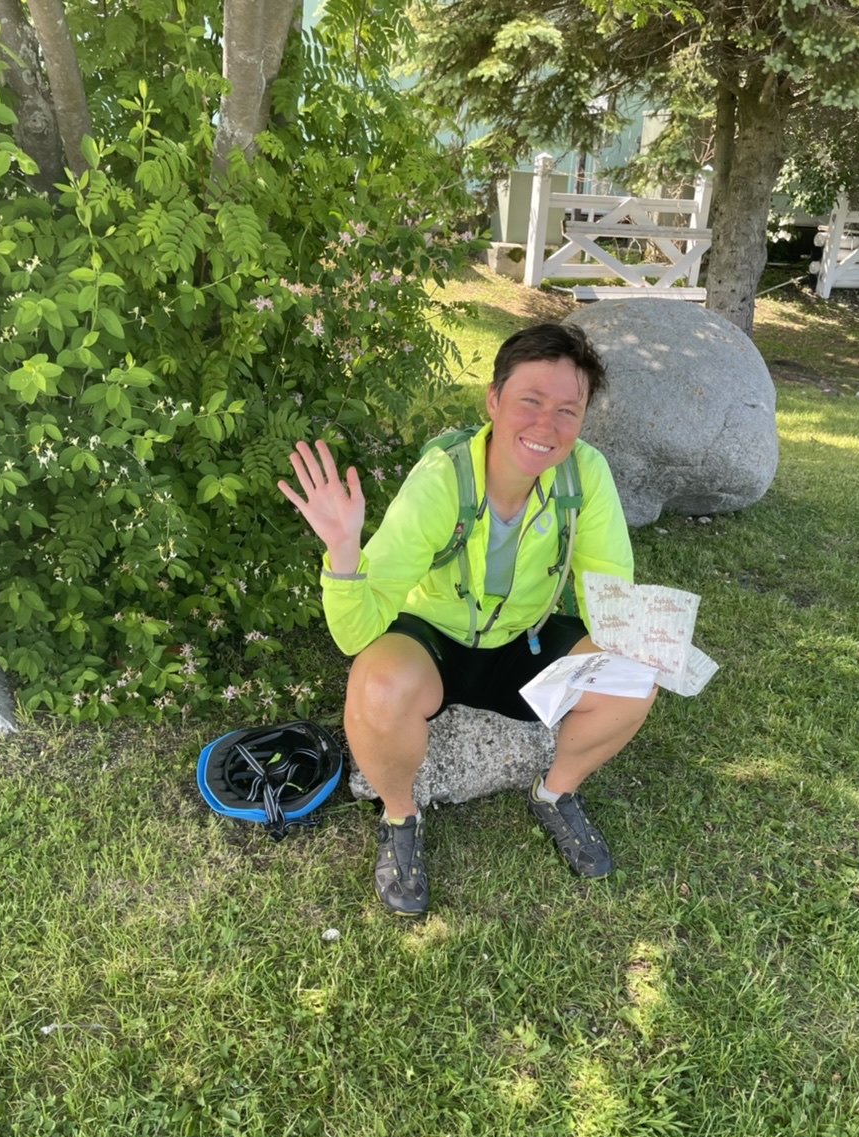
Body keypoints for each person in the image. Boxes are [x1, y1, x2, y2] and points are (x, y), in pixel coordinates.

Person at [278, 322, 656, 915]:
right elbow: (356, 635)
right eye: (530, 401)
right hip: (435, 641)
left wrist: (635, 644)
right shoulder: (443, 479)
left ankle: (555, 794)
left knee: (632, 683)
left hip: (523, 642)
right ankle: (400, 817)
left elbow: (607, 588)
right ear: (494, 399)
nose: (546, 426)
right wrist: (345, 552)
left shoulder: (586, 475)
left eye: (567, 410)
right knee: (375, 685)